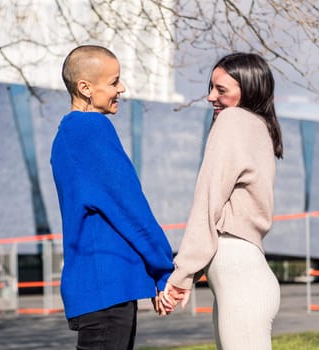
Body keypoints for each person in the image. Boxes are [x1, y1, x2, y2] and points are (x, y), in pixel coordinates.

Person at [51, 45, 174, 349]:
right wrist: (164, 269)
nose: (122, 88)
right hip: (107, 287)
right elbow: (129, 207)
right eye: (114, 81)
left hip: (96, 289)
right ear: (86, 88)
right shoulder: (90, 129)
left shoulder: (66, 134)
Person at [160, 52, 283, 350]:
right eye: (211, 87)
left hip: (240, 276)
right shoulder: (258, 127)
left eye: (221, 90)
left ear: (248, 90)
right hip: (245, 274)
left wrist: (182, 273)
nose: (210, 97)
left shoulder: (233, 120)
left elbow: (208, 203)